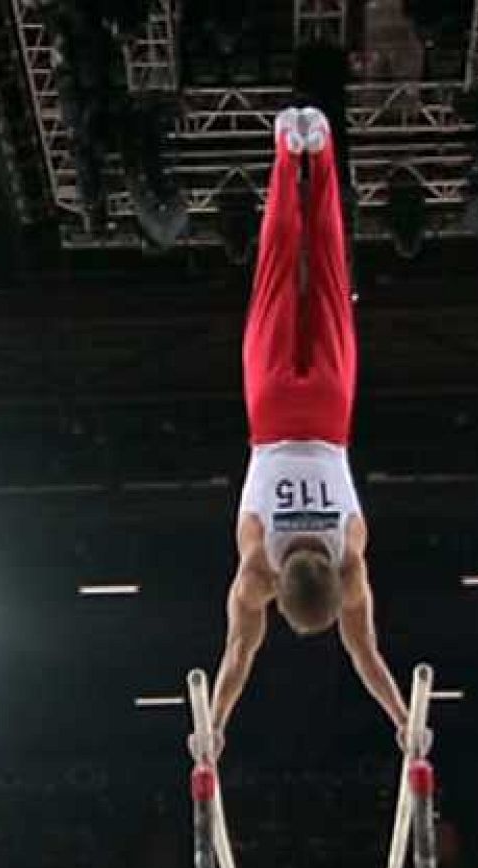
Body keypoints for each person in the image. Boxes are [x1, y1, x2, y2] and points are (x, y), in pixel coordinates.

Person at [192, 107, 424, 764]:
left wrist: (405, 720)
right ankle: (283, 146)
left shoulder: (350, 557)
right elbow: (237, 657)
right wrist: (213, 729)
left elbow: (365, 652)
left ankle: (315, 150)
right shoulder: (254, 565)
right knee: (273, 276)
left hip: (328, 412)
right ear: (278, 593)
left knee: (323, 272)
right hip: (267, 411)